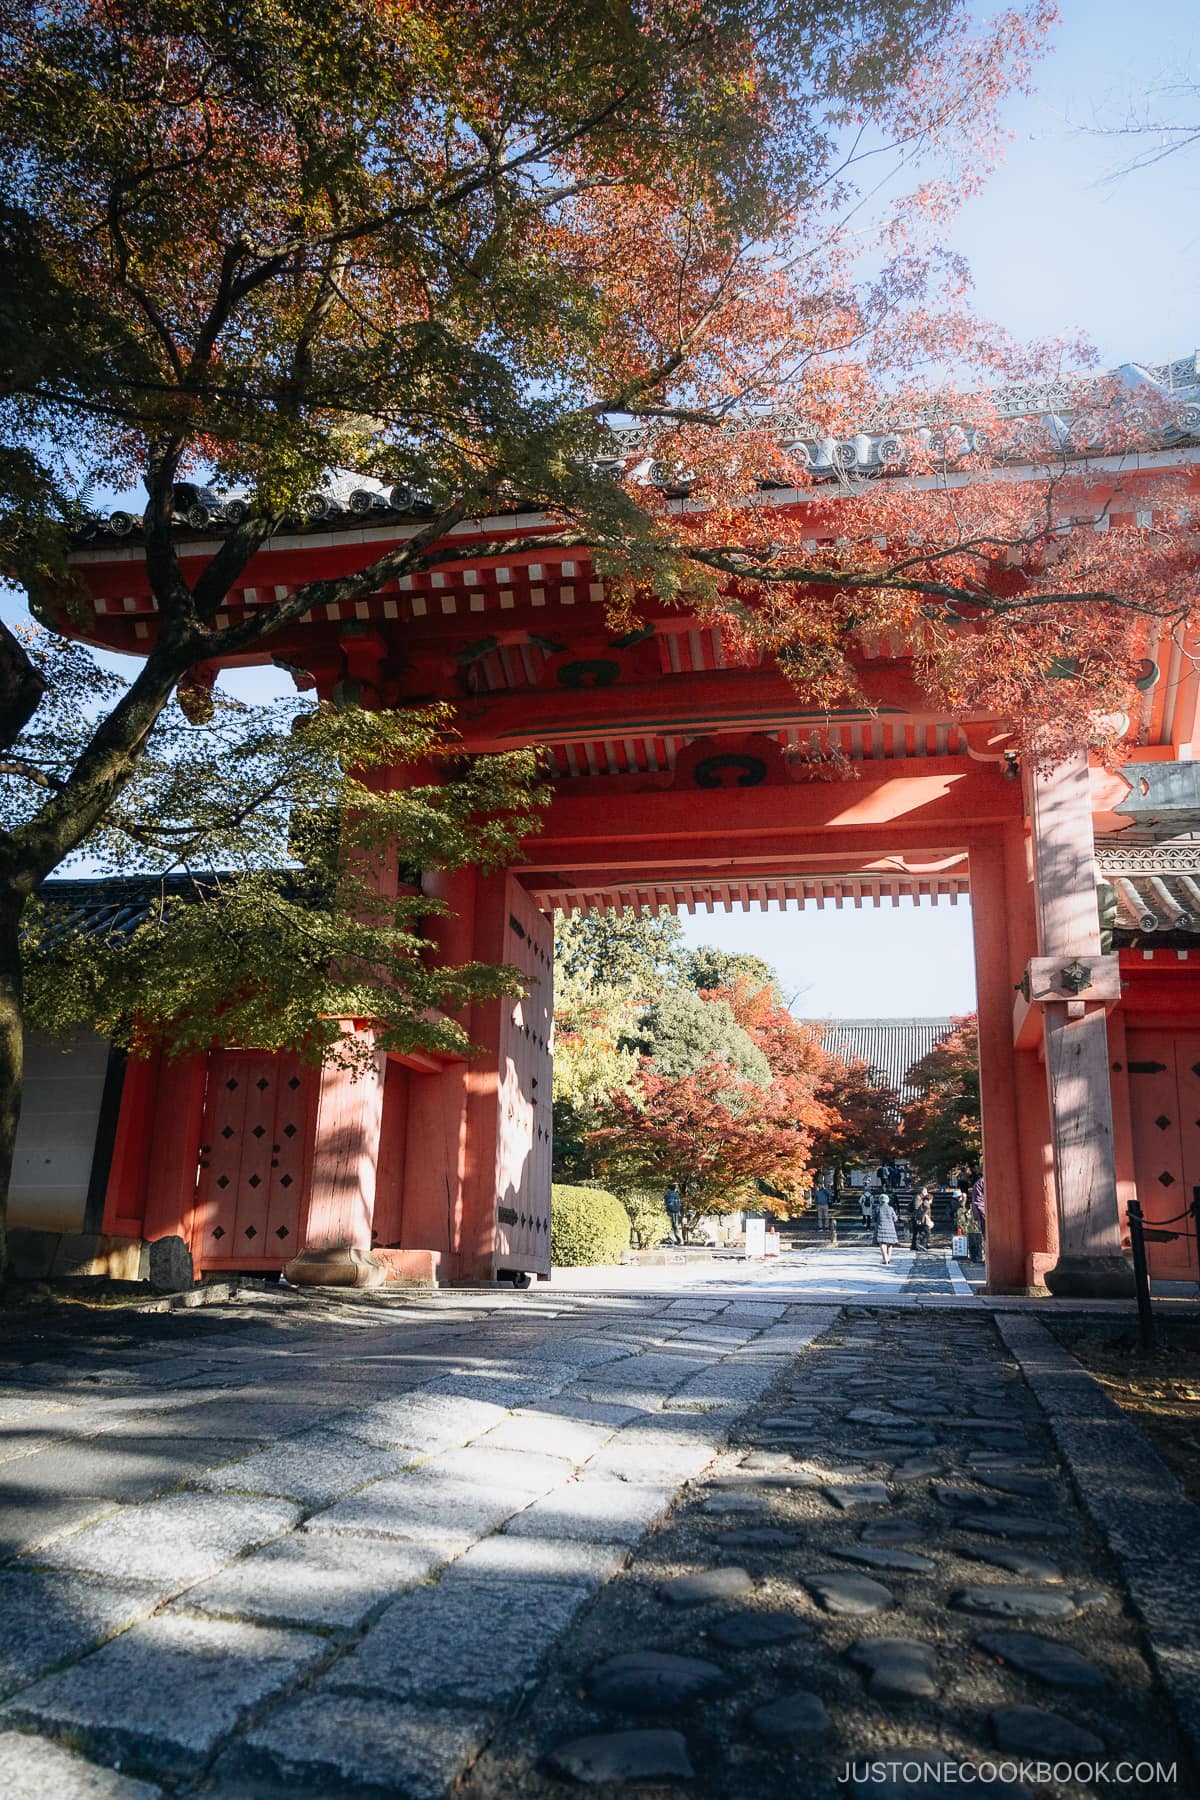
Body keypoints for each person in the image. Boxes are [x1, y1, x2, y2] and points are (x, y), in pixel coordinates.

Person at [874, 1191, 899, 1265]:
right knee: (890, 1244)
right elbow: (895, 1219)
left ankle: (885, 1258)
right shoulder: (891, 1208)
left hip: (880, 1227)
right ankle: (888, 1258)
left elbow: (874, 1218)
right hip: (890, 1228)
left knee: (882, 1243)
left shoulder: (877, 1208)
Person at [968, 1168, 985, 1263]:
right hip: (984, 1214)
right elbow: (978, 1202)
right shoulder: (980, 1183)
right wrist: (984, 1215)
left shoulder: (980, 1183)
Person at [910, 1185, 934, 1252]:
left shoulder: (921, 1198)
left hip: (919, 1217)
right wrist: (918, 1219)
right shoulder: (917, 1197)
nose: (926, 1192)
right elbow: (917, 1208)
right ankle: (919, 1245)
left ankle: (915, 1246)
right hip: (917, 1217)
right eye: (925, 1191)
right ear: (922, 1191)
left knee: (917, 1232)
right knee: (923, 1231)